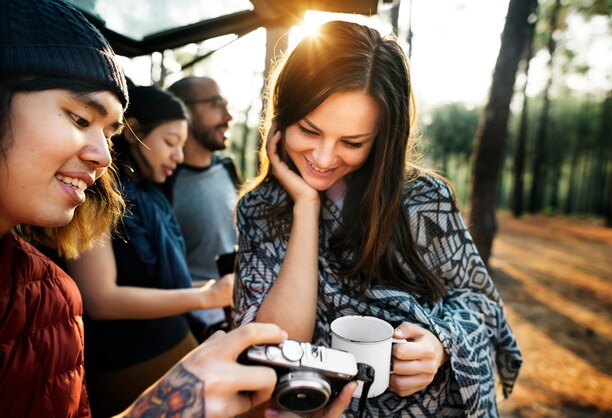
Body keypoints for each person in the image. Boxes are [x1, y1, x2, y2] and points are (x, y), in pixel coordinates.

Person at [0, 1, 355, 417]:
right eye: (79, 119)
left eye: (108, 133)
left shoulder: (50, 297)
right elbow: (107, 298)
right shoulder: (115, 214)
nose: (102, 156)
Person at [233, 20, 523, 417]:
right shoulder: (260, 211)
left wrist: (440, 346)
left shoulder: (423, 200)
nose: (322, 158)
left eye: (352, 142)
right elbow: (276, 342)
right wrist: (305, 207)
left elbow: (482, 306)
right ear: (281, 117)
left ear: (383, 137)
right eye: (308, 130)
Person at [61, 83, 235, 417]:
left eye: (182, 146)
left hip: (176, 344)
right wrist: (205, 297)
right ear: (132, 130)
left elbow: (164, 290)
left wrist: (216, 291)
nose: (179, 156)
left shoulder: (151, 196)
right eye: (171, 142)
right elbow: (102, 300)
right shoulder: (93, 197)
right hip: (128, 363)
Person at [167, 76, 241, 339]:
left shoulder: (228, 168)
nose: (228, 115)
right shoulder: (164, 182)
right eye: (216, 105)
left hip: (242, 306)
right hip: (198, 324)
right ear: (185, 111)